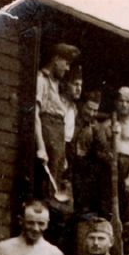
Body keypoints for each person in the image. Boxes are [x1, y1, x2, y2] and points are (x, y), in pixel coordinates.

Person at [35, 43, 80, 202]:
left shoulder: (57, 85)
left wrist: (63, 156)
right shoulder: (41, 80)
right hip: (48, 141)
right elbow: (35, 115)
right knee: (45, 190)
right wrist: (41, 147)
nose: (67, 69)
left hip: (58, 145)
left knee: (55, 191)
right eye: (66, 63)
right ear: (56, 59)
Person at [96, 87, 129, 221]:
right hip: (110, 165)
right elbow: (100, 151)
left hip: (127, 165)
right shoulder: (106, 124)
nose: (124, 104)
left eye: (128, 102)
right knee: (107, 203)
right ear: (116, 102)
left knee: (127, 204)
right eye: (121, 101)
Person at [67, 89, 104, 218]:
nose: (92, 113)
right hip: (69, 164)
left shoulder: (96, 127)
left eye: (95, 110)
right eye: (89, 109)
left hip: (84, 170)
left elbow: (103, 149)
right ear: (82, 105)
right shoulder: (72, 119)